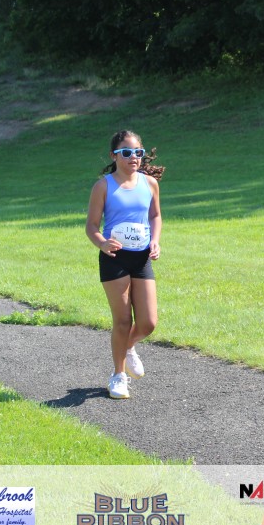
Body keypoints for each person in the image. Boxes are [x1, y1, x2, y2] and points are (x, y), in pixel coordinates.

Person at [85, 130, 163, 400]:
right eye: (127, 152)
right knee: (122, 320)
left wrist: (155, 241)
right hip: (114, 258)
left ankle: (128, 347)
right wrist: (102, 243)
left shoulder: (150, 183)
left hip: (141, 257)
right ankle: (118, 376)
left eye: (138, 152)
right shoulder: (103, 186)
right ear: (114, 156)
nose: (134, 157)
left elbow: (155, 216)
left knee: (148, 322)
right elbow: (91, 226)